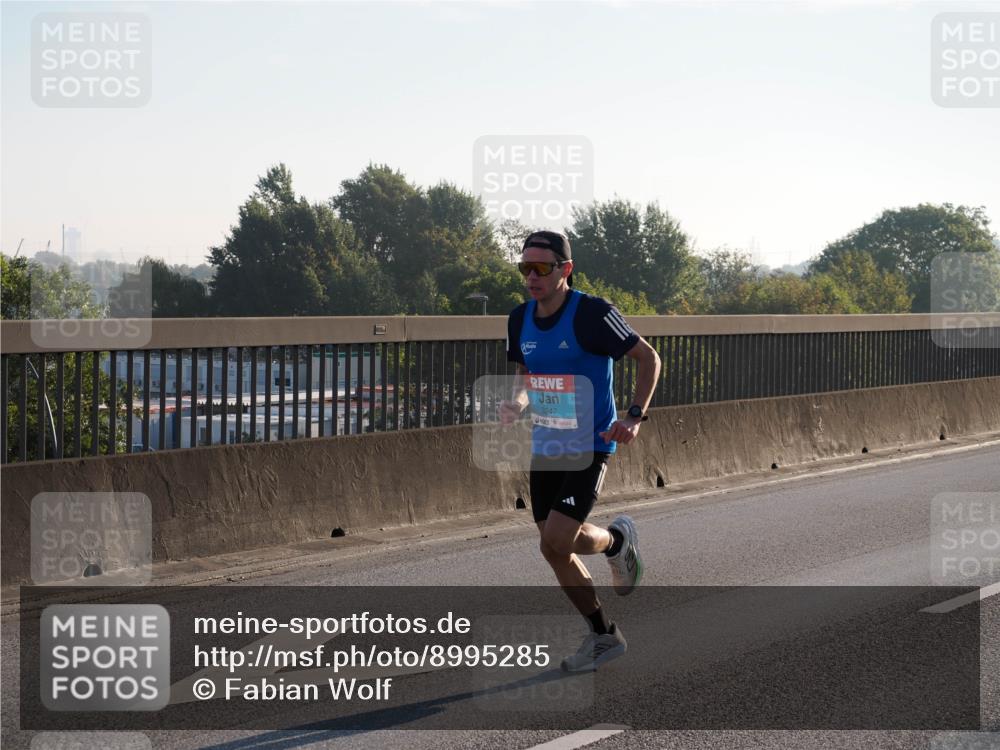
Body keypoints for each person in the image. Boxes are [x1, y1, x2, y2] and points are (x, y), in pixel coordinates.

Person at [500, 230, 661, 672]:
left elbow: (649, 359)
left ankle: (614, 549)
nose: (531, 277)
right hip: (547, 444)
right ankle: (606, 621)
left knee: (556, 539)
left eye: (541, 268)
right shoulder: (519, 319)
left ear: (565, 270)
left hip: (591, 443)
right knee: (553, 549)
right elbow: (527, 374)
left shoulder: (592, 314)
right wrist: (517, 401)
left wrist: (631, 416)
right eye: (525, 268)